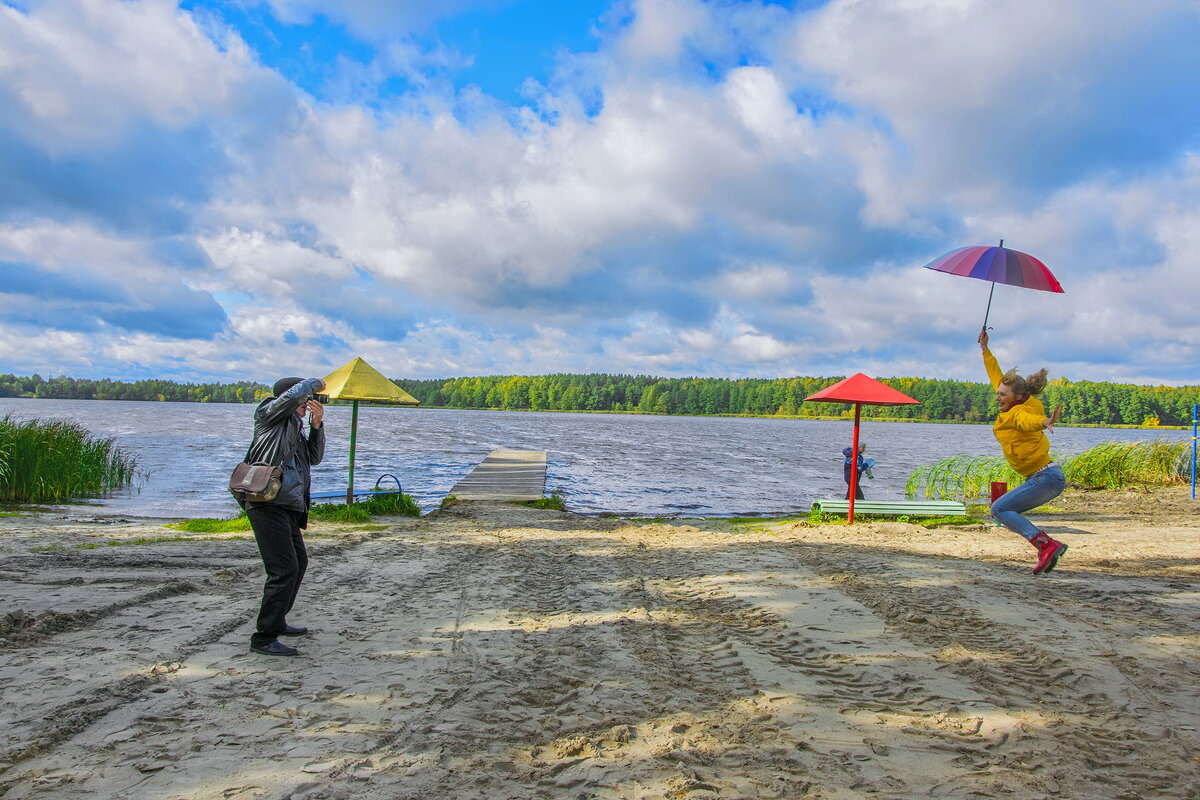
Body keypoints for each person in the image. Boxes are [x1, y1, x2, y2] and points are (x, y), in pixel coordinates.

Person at [241, 377, 327, 656]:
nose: (307, 405)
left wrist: (316, 426)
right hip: (266, 503)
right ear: (291, 399)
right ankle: (264, 637)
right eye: (304, 401)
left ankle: (277, 621)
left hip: (288, 505)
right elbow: (290, 399)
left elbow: (314, 458)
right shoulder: (269, 415)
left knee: (298, 563)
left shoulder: (296, 428)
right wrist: (313, 383)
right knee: (283, 569)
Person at [978, 330, 1067, 574]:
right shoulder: (1012, 402)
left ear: (1018, 397)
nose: (997, 397)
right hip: (1043, 477)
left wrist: (1044, 422)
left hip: (1046, 477)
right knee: (1004, 509)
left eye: (1002, 395)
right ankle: (1045, 546)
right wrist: (985, 349)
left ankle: (1045, 545)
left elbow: (1028, 420)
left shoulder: (1021, 412)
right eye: (998, 393)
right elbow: (995, 375)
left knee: (999, 509)